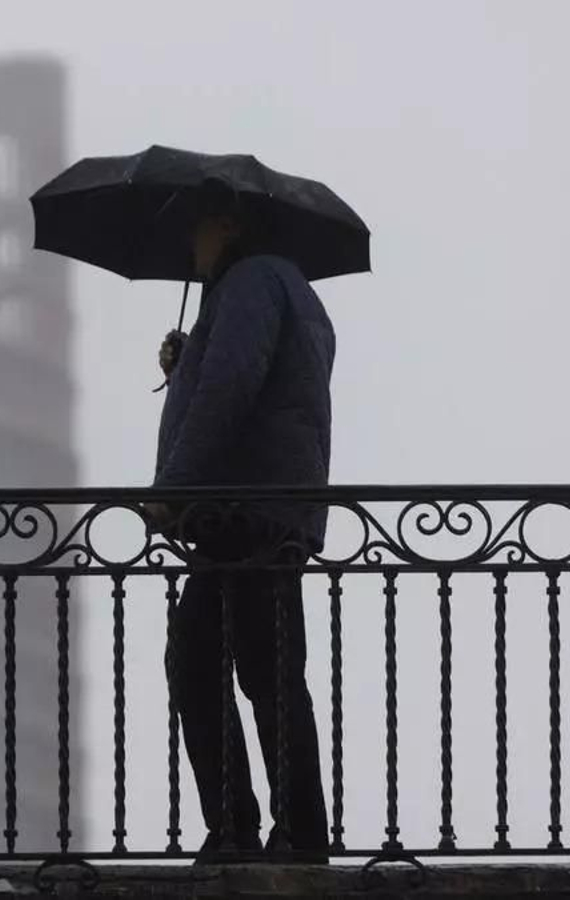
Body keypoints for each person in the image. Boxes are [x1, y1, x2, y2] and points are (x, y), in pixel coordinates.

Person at [149, 184, 334, 863]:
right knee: (264, 668)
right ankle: (283, 831)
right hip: (267, 509)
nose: (191, 247)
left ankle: (256, 830)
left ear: (226, 222)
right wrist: (186, 365)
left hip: (244, 513)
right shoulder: (278, 287)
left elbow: (233, 387)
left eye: (197, 227)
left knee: (212, 664)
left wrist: (173, 490)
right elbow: (238, 380)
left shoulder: (253, 283)